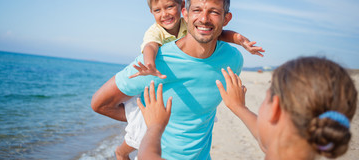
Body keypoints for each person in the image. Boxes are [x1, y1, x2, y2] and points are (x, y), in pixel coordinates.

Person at [91, 0, 244, 159]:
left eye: (214, 12)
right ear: (186, 13)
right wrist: (150, 120)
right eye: (197, 10)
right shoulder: (155, 63)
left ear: (226, 18)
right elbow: (100, 104)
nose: (204, 18)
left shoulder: (233, 60)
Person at [138, 57, 358, 160]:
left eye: (267, 95)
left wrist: (155, 126)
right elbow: (272, 143)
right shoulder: (293, 148)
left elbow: (148, 156)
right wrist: (239, 107)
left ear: (275, 109)